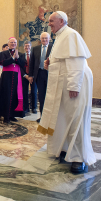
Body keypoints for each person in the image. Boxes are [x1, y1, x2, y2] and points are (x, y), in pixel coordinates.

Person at [38, 11, 95, 174]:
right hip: (64, 84)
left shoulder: (71, 34)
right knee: (62, 116)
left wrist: (74, 86)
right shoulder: (59, 36)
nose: (49, 23)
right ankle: (65, 149)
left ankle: (77, 158)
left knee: (75, 118)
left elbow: (76, 62)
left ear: (62, 21)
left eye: (51, 21)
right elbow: (63, 60)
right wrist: (51, 62)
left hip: (73, 84)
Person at [0, 37, 26, 123]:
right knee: (6, 95)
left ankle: (12, 115)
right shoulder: (3, 53)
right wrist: (12, 59)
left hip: (16, 76)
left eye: (15, 42)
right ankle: (6, 116)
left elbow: (24, 64)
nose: (13, 44)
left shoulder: (21, 54)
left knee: (15, 95)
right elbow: (1, 63)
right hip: (6, 77)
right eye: (11, 42)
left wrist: (17, 58)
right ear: (8, 44)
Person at [29, 32, 52, 122]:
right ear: (40, 39)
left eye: (46, 38)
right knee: (41, 96)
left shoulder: (53, 48)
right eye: (43, 38)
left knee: (49, 96)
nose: (44, 40)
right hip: (39, 75)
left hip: (50, 74)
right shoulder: (35, 49)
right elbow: (31, 63)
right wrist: (31, 75)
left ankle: (50, 118)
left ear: (49, 39)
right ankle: (43, 117)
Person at [20, 41, 37, 115]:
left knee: (33, 92)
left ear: (31, 47)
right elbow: (20, 67)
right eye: (25, 46)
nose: (27, 47)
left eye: (28, 46)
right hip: (24, 77)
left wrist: (31, 76)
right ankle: (25, 108)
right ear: (24, 47)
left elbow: (35, 66)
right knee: (24, 93)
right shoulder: (21, 56)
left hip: (32, 76)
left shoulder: (34, 55)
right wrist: (25, 75)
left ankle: (34, 108)